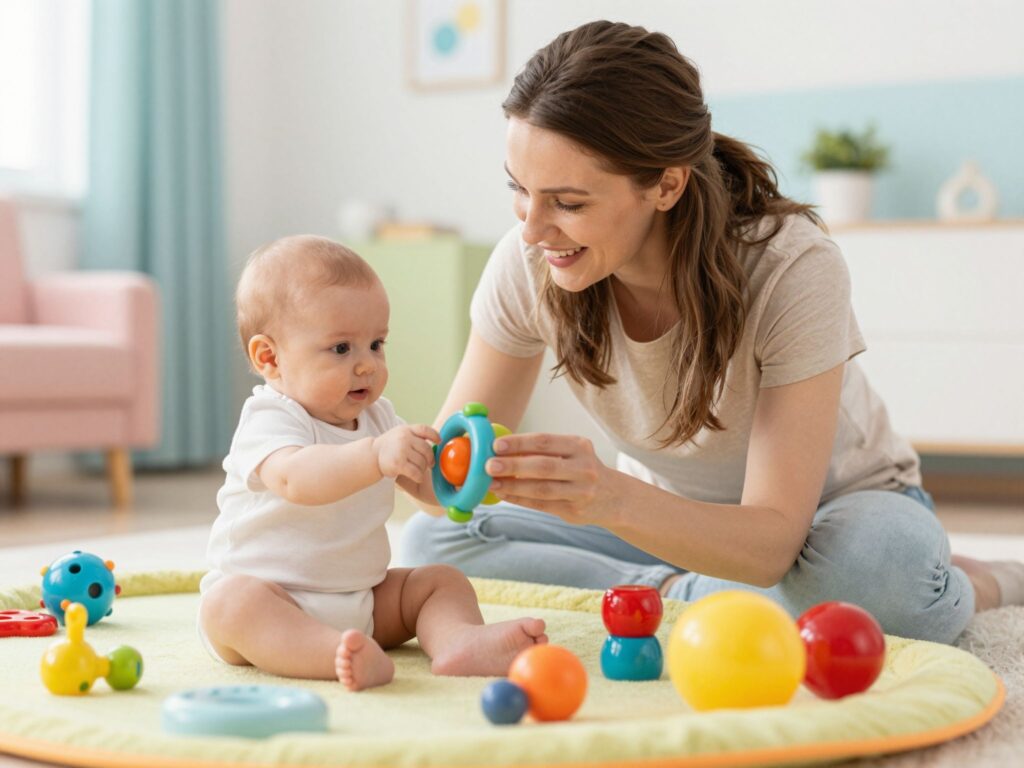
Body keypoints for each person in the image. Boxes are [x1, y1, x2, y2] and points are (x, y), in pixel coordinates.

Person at [399, 20, 1024, 644]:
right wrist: (395, 458)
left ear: (666, 184)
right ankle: (685, 592)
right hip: (665, 522)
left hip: (829, 515)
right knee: (434, 541)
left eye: (569, 202)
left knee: (877, 581)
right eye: (519, 189)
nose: (533, 228)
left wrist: (608, 498)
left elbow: (773, 542)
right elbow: (444, 488)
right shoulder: (530, 260)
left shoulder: (790, 266)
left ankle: (987, 581)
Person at [199, 236, 546, 691]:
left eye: (376, 344)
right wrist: (376, 455)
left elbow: (427, 495)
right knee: (229, 605)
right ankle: (334, 654)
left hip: (363, 598)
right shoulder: (270, 417)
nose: (366, 365)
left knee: (440, 581)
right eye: (342, 349)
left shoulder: (379, 418)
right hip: (273, 599)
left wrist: (458, 476)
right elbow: (296, 478)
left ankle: (459, 641)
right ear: (270, 358)